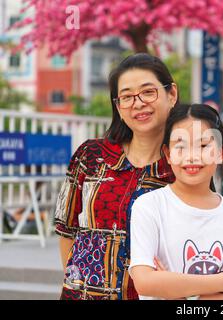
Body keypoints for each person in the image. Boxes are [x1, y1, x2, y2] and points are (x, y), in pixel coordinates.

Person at [54, 53, 178, 300]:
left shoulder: (182, 166)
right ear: (118, 106)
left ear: (171, 94)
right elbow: (67, 230)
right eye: (127, 97)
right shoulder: (91, 156)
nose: (138, 103)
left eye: (148, 92)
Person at [129, 103, 223, 300]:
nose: (191, 156)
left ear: (220, 153)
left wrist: (177, 292)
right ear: (168, 154)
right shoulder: (149, 206)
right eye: (181, 147)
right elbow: (145, 282)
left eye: (203, 146)